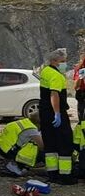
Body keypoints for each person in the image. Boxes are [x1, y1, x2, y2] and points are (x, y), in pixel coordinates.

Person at [38, 48, 76, 184]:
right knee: (65, 142)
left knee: (50, 144)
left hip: (44, 112)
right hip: (54, 113)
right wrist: (58, 113)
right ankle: (65, 177)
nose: (65, 64)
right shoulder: (57, 76)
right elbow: (54, 94)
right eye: (63, 61)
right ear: (54, 61)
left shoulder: (45, 71)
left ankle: (53, 174)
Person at [0, 111, 43, 176]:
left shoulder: (24, 122)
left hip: (0, 146)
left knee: (28, 143)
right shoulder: (31, 130)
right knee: (42, 152)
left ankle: (15, 163)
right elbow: (42, 146)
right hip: (8, 152)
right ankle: (15, 166)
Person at [74, 40, 85, 121]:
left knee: (82, 114)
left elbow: (76, 86)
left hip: (82, 93)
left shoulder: (80, 69)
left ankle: (82, 129)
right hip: (82, 94)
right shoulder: (81, 70)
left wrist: (80, 77)